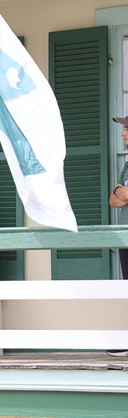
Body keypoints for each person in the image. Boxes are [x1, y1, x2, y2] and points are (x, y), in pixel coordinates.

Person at [107, 115, 128, 357]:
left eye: (126, 129)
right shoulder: (127, 165)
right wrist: (119, 190)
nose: (123, 134)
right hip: (125, 237)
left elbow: (124, 196)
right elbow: (115, 200)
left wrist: (120, 190)